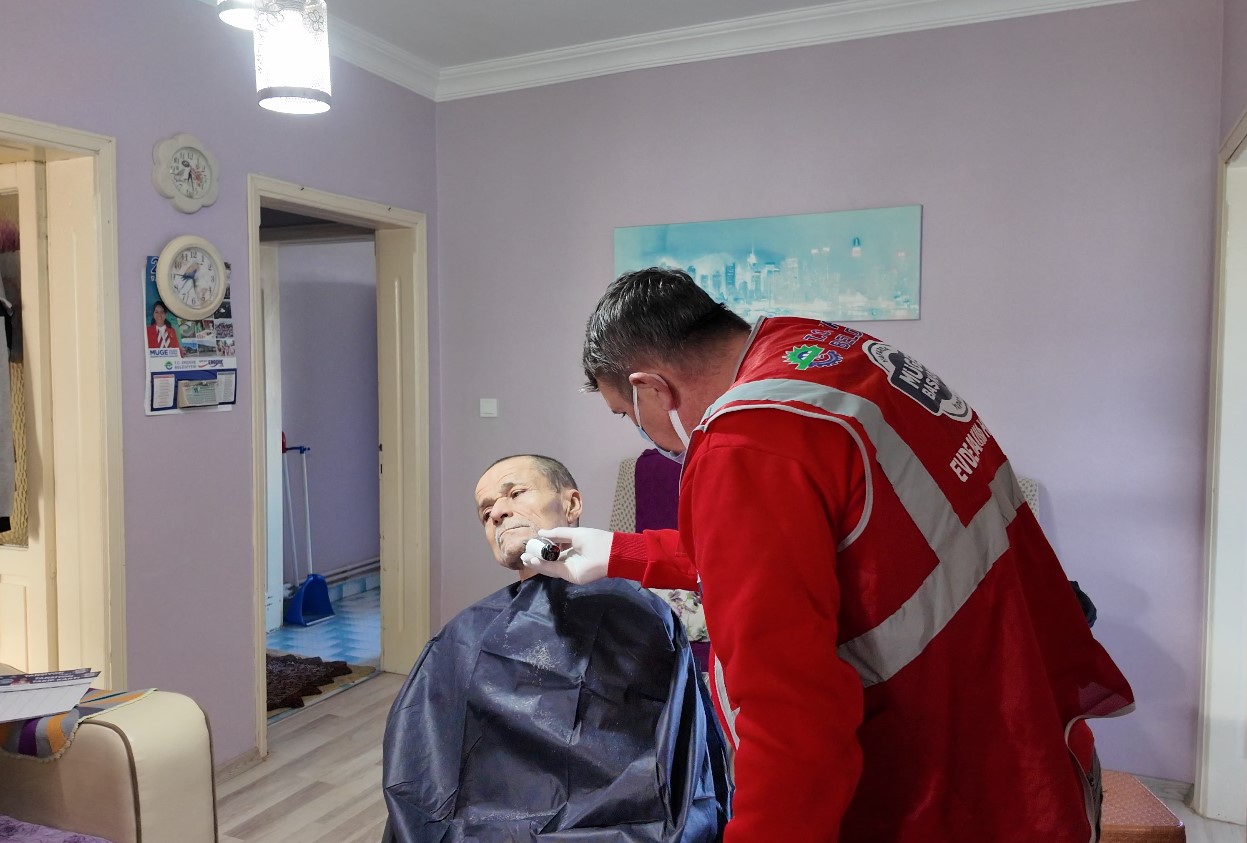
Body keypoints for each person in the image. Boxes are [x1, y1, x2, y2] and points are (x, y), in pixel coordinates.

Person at [521, 268, 1135, 842]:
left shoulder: (743, 445)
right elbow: (804, 547)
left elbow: (791, 718)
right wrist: (617, 550)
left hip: (947, 789)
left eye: (626, 414)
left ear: (651, 389)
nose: (640, 430)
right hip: (1031, 738)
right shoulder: (826, 353)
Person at [381, 454, 731, 843]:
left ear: (572, 503)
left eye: (515, 493)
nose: (497, 512)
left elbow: (671, 774)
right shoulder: (462, 634)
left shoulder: (638, 612)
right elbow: (422, 779)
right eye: (485, 512)